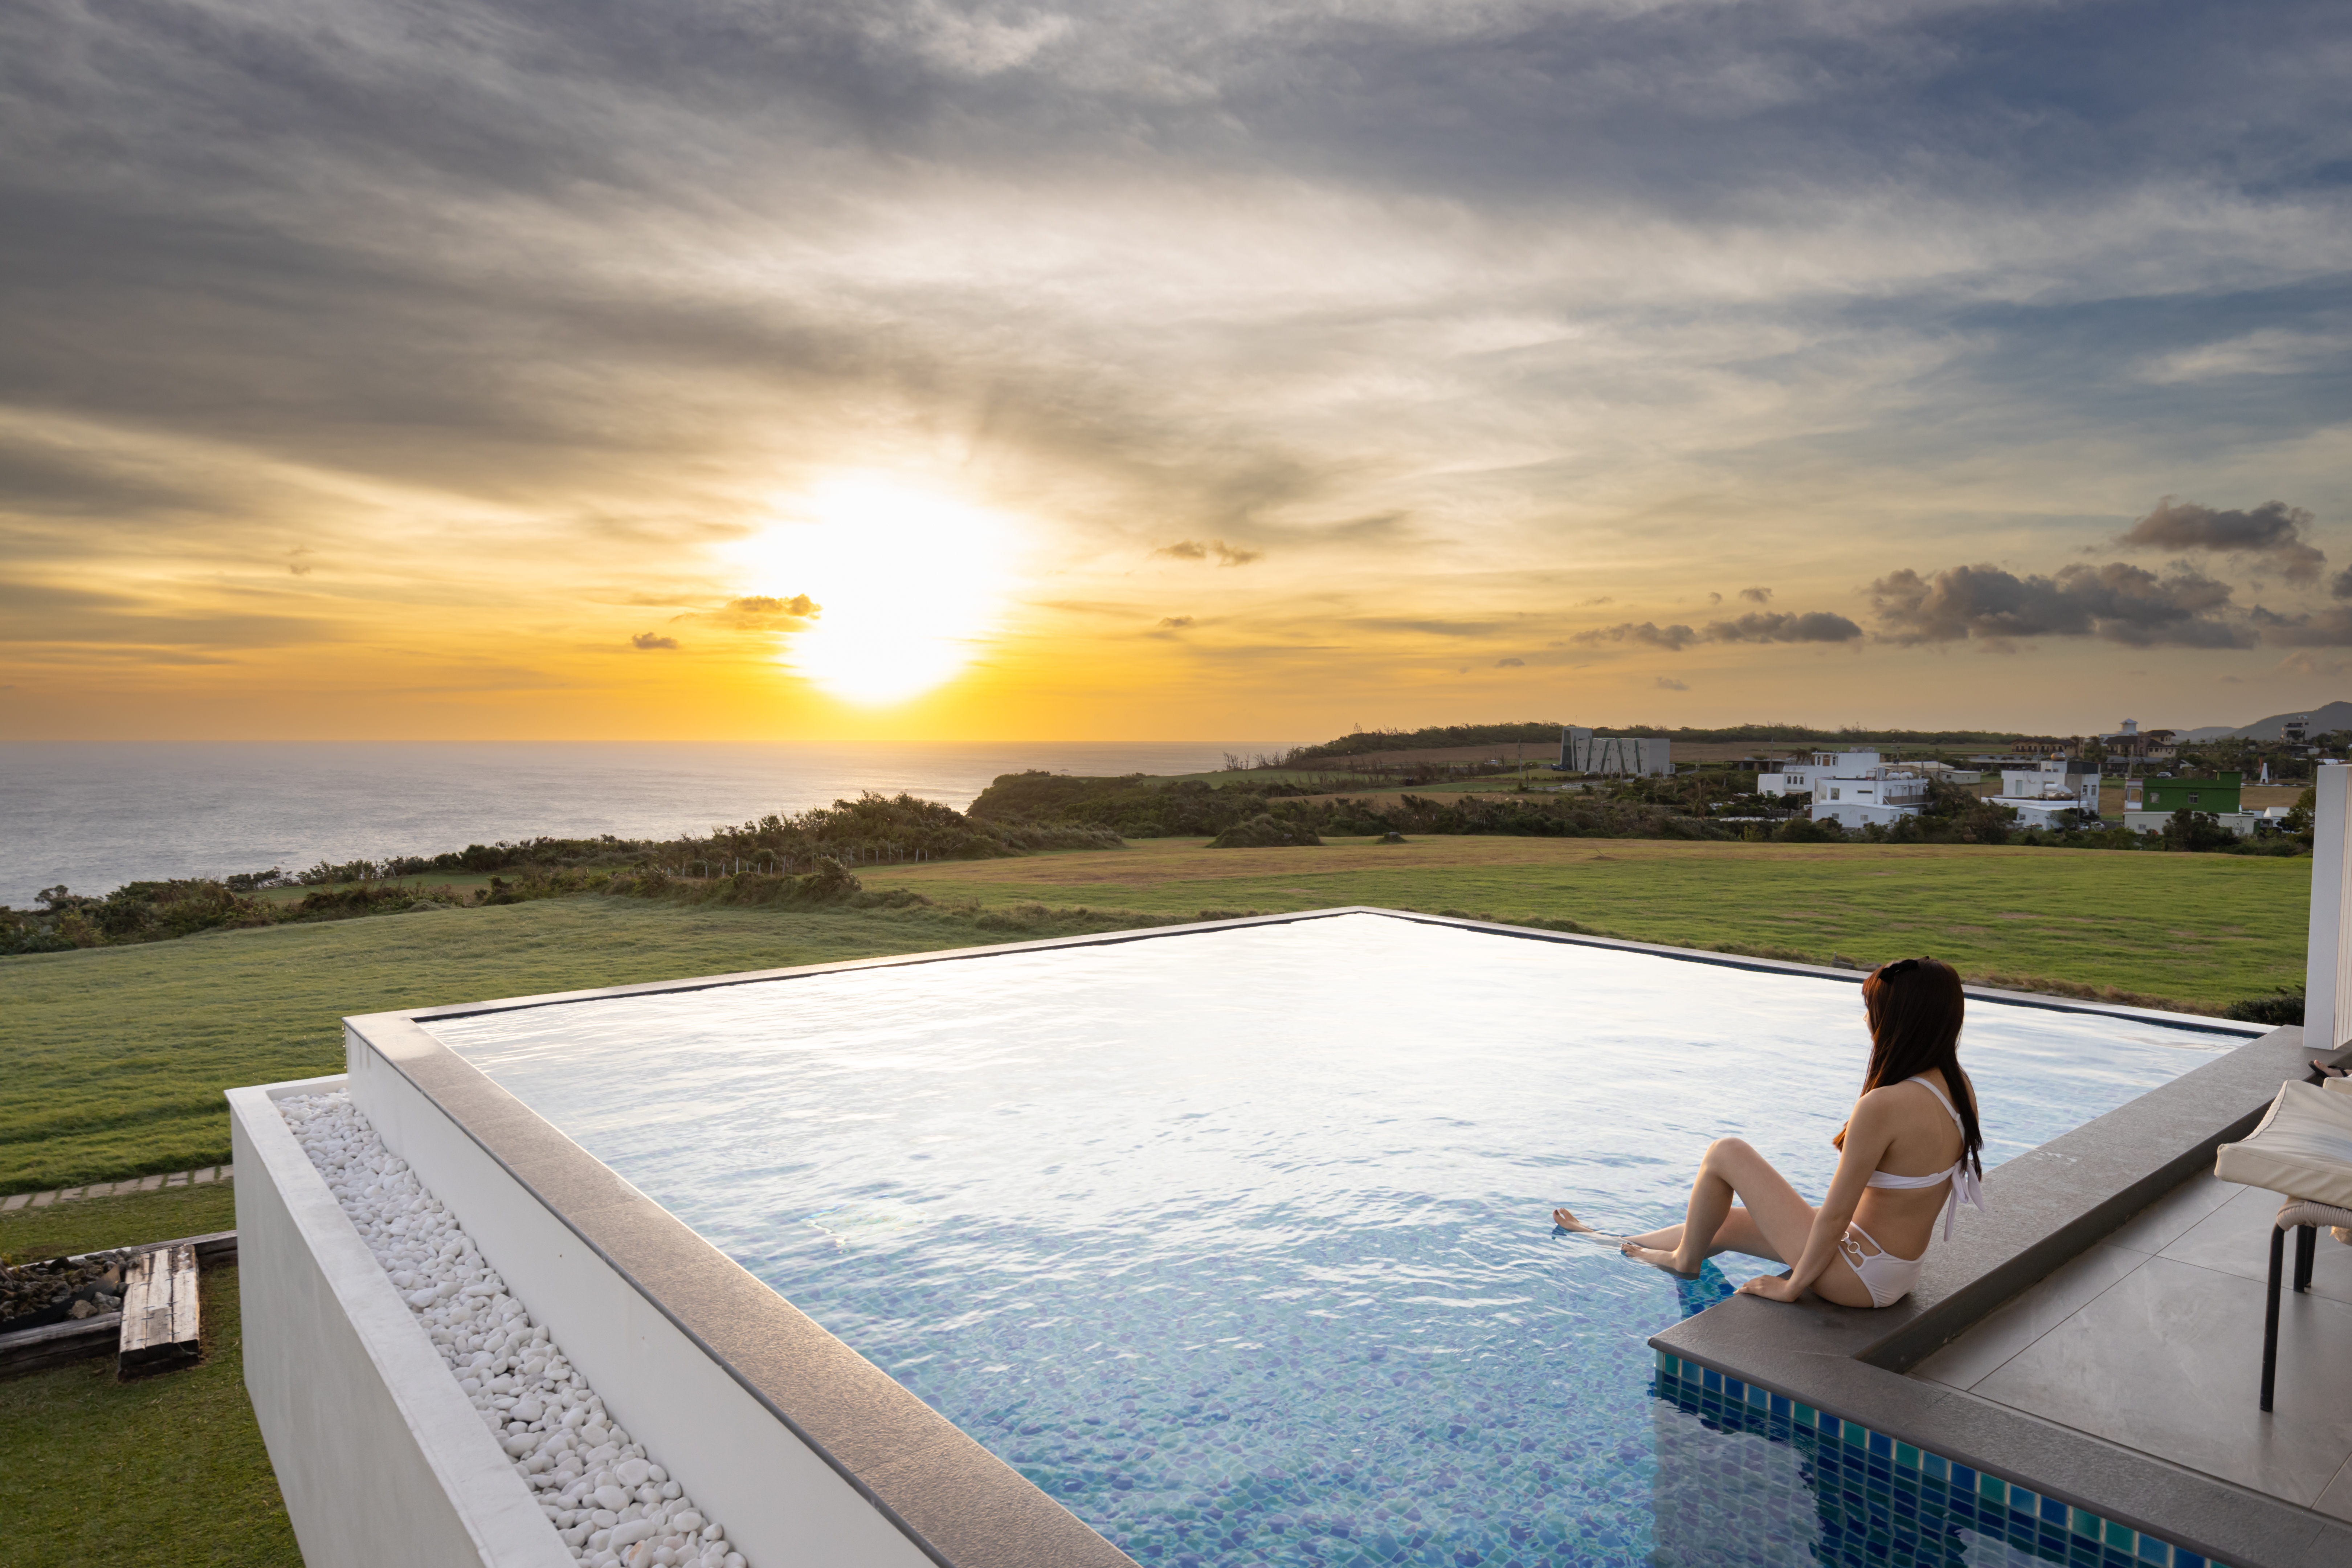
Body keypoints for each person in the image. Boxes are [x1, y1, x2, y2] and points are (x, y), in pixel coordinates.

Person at [1551, 956, 1985, 1309]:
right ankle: (1605, 1239)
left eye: (1873, 1011)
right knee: (1722, 1224)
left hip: (1856, 1276)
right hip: (1895, 1269)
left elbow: (1835, 1217)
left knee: (1727, 1152)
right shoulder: (1957, 1087)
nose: (1869, 1021)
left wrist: (1792, 1286)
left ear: (1897, 1022)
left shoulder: (1883, 1106)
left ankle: (1684, 1261)